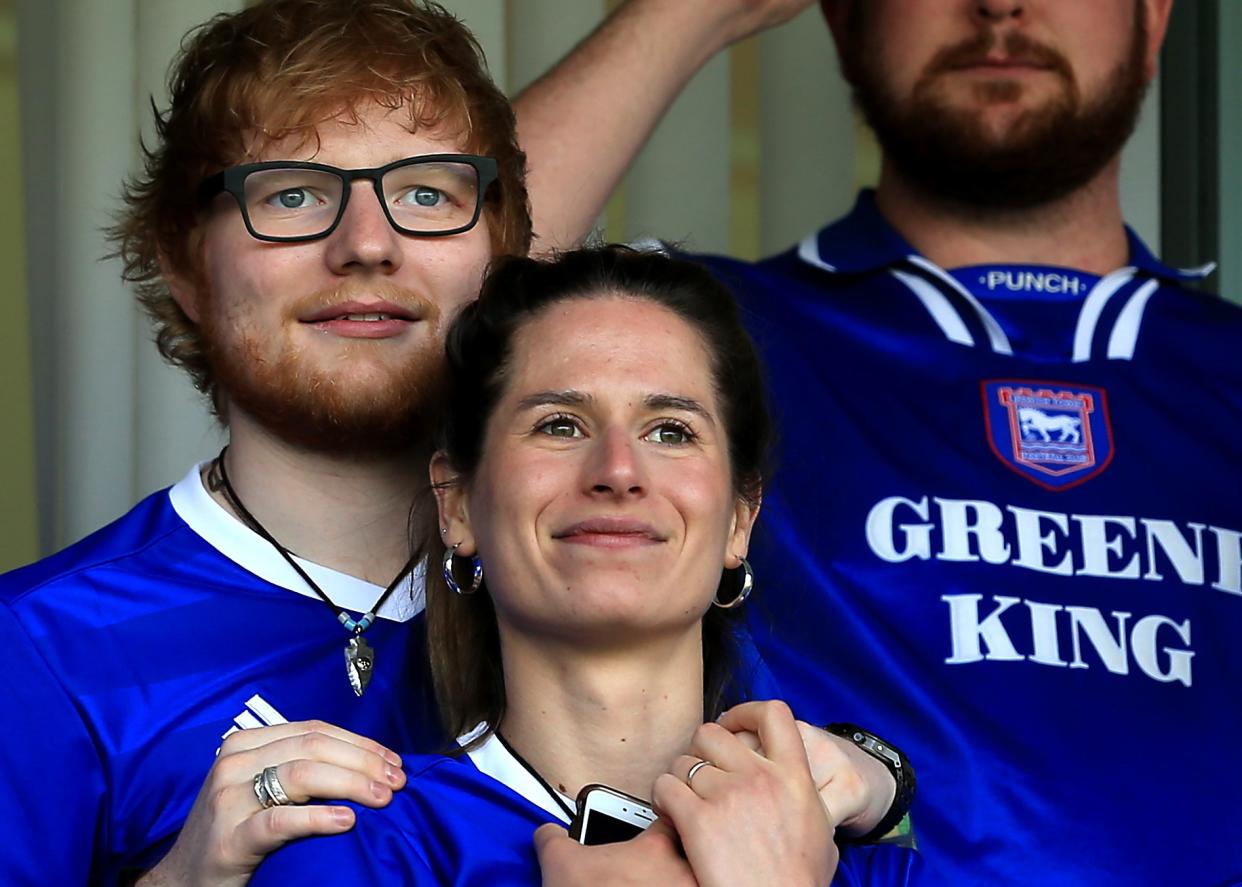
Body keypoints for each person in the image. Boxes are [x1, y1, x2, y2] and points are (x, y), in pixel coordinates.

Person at [0, 3, 900, 885]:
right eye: (292, 193)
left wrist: (875, 778)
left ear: (506, 251)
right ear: (184, 262)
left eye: (426, 193)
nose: (367, 245)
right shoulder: (39, 647)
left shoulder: (617, 567)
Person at [513, 1, 1242, 885]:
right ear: (845, 19)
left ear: (1154, 18)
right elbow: (434, 282)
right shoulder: (701, 342)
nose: (999, 6)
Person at [248, 245, 921, 886]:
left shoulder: (859, 862)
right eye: (560, 424)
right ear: (456, 504)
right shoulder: (359, 854)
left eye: (671, 431)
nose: (619, 472)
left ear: (739, 520)